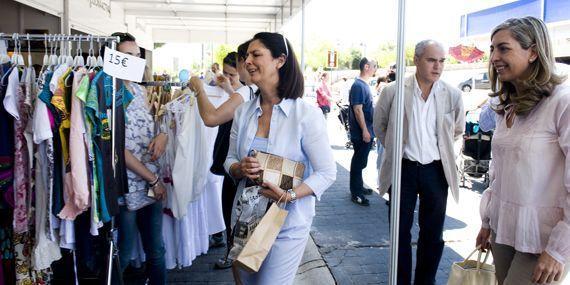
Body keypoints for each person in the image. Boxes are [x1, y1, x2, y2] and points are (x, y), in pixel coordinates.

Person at [224, 32, 336, 284]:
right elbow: (229, 158)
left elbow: (327, 172)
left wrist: (291, 195)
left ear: (280, 61)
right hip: (245, 221)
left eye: (256, 55)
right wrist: (239, 168)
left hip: (287, 222)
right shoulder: (243, 112)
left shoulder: (306, 114)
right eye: (246, 56)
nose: (248, 61)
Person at [476, 17, 569, 285]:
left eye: (503, 48)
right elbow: (500, 171)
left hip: (544, 239)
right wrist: (487, 221)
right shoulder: (509, 103)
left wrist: (559, 249)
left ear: (533, 52)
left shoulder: (562, 100)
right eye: (492, 49)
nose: (494, 57)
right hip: (504, 232)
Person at [373, 39, 464, 285]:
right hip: (403, 169)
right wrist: (397, 148)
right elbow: (380, 126)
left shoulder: (452, 94)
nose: (438, 66)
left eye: (442, 61)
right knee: (400, 232)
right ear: (416, 60)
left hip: (436, 170)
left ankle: (425, 282)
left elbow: (457, 130)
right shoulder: (394, 91)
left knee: (433, 234)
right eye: (432, 60)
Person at [188, 42, 258, 270]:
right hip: (247, 168)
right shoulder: (254, 92)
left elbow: (210, 117)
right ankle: (238, 257)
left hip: (238, 169)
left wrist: (198, 87)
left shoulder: (246, 92)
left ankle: (233, 255)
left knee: (233, 216)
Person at [112, 32, 168, 285]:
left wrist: (163, 135)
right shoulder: (106, 94)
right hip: (126, 184)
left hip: (149, 180)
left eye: (137, 56)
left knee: (156, 250)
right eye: (127, 56)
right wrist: (153, 179)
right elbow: (117, 150)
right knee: (122, 252)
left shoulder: (137, 89)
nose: (134, 61)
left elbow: (152, 127)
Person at [348, 57, 377, 206]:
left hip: (366, 131)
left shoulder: (362, 85)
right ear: (366, 67)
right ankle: (356, 193)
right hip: (361, 133)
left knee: (360, 162)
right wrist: (365, 131)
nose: (375, 69)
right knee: (359, 162)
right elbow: (357, 109)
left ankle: (358, 187)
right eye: (374, 66)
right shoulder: (359, 86)